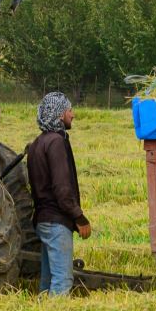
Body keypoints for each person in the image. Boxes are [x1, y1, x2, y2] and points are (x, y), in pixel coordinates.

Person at [26, 91, 91, 295]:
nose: (72, 114)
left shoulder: (37, 143)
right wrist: (79, 218)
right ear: (59, 114)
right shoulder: (56, 142)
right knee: (62, 281)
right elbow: (62, 189)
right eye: (69, 110)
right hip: (56, 222)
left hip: (42, 220)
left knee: (47, 281)